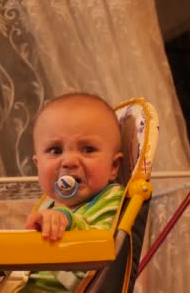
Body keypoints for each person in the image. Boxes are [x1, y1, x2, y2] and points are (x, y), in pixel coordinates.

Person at [17, 93, 125, 292]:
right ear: (37, 165)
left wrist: (67, 221)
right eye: (56, 150)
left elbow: (100, 245)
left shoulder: (111, 199)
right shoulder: (47, 204)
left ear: (114, 166)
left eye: (88, 149)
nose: (69, 161)